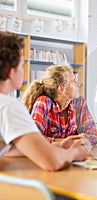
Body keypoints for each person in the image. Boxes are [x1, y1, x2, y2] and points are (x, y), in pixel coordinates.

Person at [0, 31, 90, 171]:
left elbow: (8, 151)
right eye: (22, 65)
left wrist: (55, 146)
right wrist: (73, 153)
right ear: (10, 72)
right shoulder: (8, 106)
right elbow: (52, 162)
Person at [22, 65, 97, 145]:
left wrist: (68, 142)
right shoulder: (44, 103)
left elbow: (93, 136)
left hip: (71, 155)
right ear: (61, 89)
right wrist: (67, 142)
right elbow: (33, 139)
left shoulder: (79, 102)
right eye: (73, 81)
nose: (78, 84)